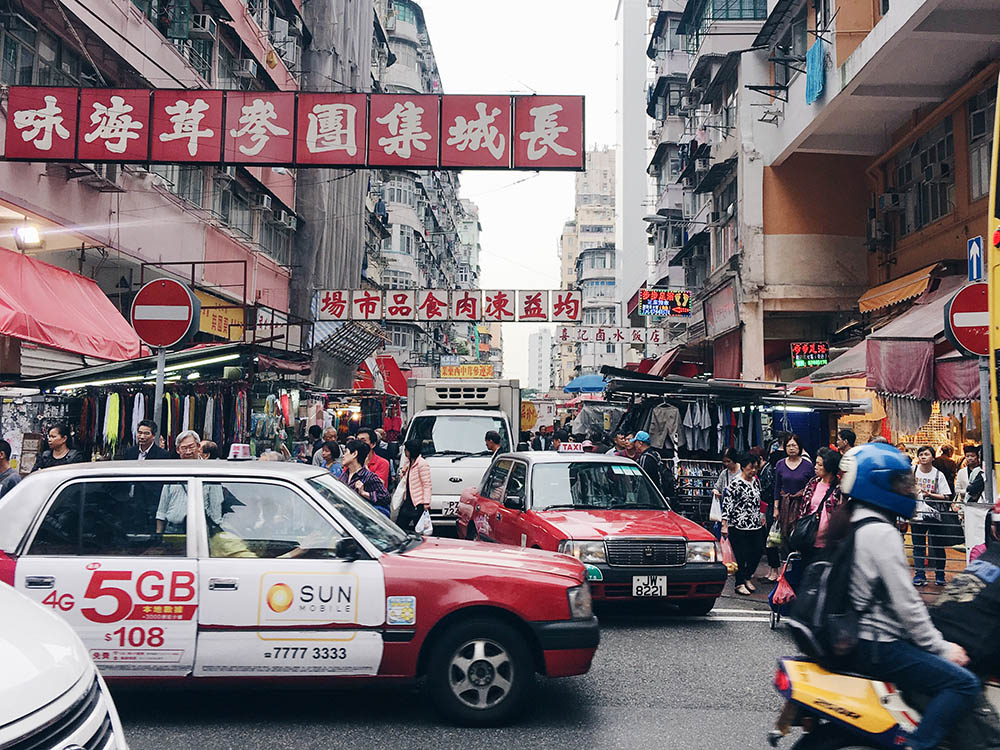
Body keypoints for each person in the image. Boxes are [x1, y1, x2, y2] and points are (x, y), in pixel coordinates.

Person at [837, 443, 979, 750]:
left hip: (856, 639)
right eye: (900, 483)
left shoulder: (852, 521)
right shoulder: (881, 532)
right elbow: (907, 603)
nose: (908, 489)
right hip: (879, 644)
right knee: (963, 683)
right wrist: (940, 647)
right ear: (875, 484)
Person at [721, 451, 763, 596]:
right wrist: (724, 524)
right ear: (744, 467)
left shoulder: (756, 481)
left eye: (756, 468)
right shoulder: (736, 483)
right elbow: (727, 504)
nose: (753, 471)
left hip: (755, 523)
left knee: (757, 551)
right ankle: (739, 583)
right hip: (738, 525)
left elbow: (759, 501)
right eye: (751, 467)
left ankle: (747, 576)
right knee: (741, 555)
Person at [912, 444, 954, 587]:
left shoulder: (938, 474)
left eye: (926, 454)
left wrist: (930, 494)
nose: (923, 457)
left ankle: (940, 575)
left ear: (932, 457)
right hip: (916, 514)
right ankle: (919, 575)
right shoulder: (912, 471)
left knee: (937, 545)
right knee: (918, 546)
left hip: (934, 515)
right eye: (921, 454)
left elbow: (946, 496)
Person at [795, 447, 844, 563]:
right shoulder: (813, 483)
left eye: (819, 464)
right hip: (808, 539)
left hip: (829, 543)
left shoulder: (840, 489)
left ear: (829, 467)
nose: (815, 467)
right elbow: (803, 509)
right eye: (816, 463)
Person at [155, 430, 202, 533]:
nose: (188, 452)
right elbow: (162, 509)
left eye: (191, 447)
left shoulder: (210, 471)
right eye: (184, 448)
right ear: (178, 450)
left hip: (201, 530)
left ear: (198, 446)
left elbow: (215, 508)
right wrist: (158, 536)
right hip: (172, 530)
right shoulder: (173, 472)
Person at [775, 434, 814, 539]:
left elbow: (813, 487)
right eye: (788, 446)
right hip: (785, 505)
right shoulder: (780, 464)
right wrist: (775, 508)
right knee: (785, 536)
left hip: (802, 506)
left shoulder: (808, 465)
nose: (791, 448)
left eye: (794, 445)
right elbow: (777, 487)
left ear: (799, 447)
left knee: (800, 534)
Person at [340, 439, 390, 515]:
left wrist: (364, 493)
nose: (343, 456)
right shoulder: (344, 475)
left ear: (354, 454)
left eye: (346, 452)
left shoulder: (369, 477)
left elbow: (386, 497)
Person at [397, 438, 432, 532]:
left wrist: (426, 502)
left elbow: (427, 484)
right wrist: (403, 471)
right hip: (408, 500)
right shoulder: (408, 463)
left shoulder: (422, 464)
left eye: (406, 450)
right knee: (400, 527)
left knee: (421, 529)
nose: (405, 452)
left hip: (418, 502)